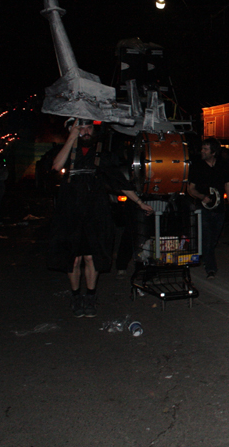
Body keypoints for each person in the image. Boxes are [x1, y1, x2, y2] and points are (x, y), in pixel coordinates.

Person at [49, 119, 154, 317]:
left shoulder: (101, 154)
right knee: (73, 259)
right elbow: (56, 166)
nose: (85, 131)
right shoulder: (68, 151)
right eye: (81, 128)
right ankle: (76, 297)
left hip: (94, 213)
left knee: (91, 257)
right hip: (70, 213)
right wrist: (72, 138)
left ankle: (90, 297)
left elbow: (120, 182)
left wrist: (139, 202)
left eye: (89, 127)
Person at [187, 137, 229, 279]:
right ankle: (210, 268)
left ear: (213, 152)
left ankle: (204, 255)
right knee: (207, 237)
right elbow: (190, 188)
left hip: (219, 208)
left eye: (205, 149)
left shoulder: (223, 165)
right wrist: (201, 196)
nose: (202, 151)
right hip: (202, 208)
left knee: (213, 238)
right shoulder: (197, 166)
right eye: (202, 148)